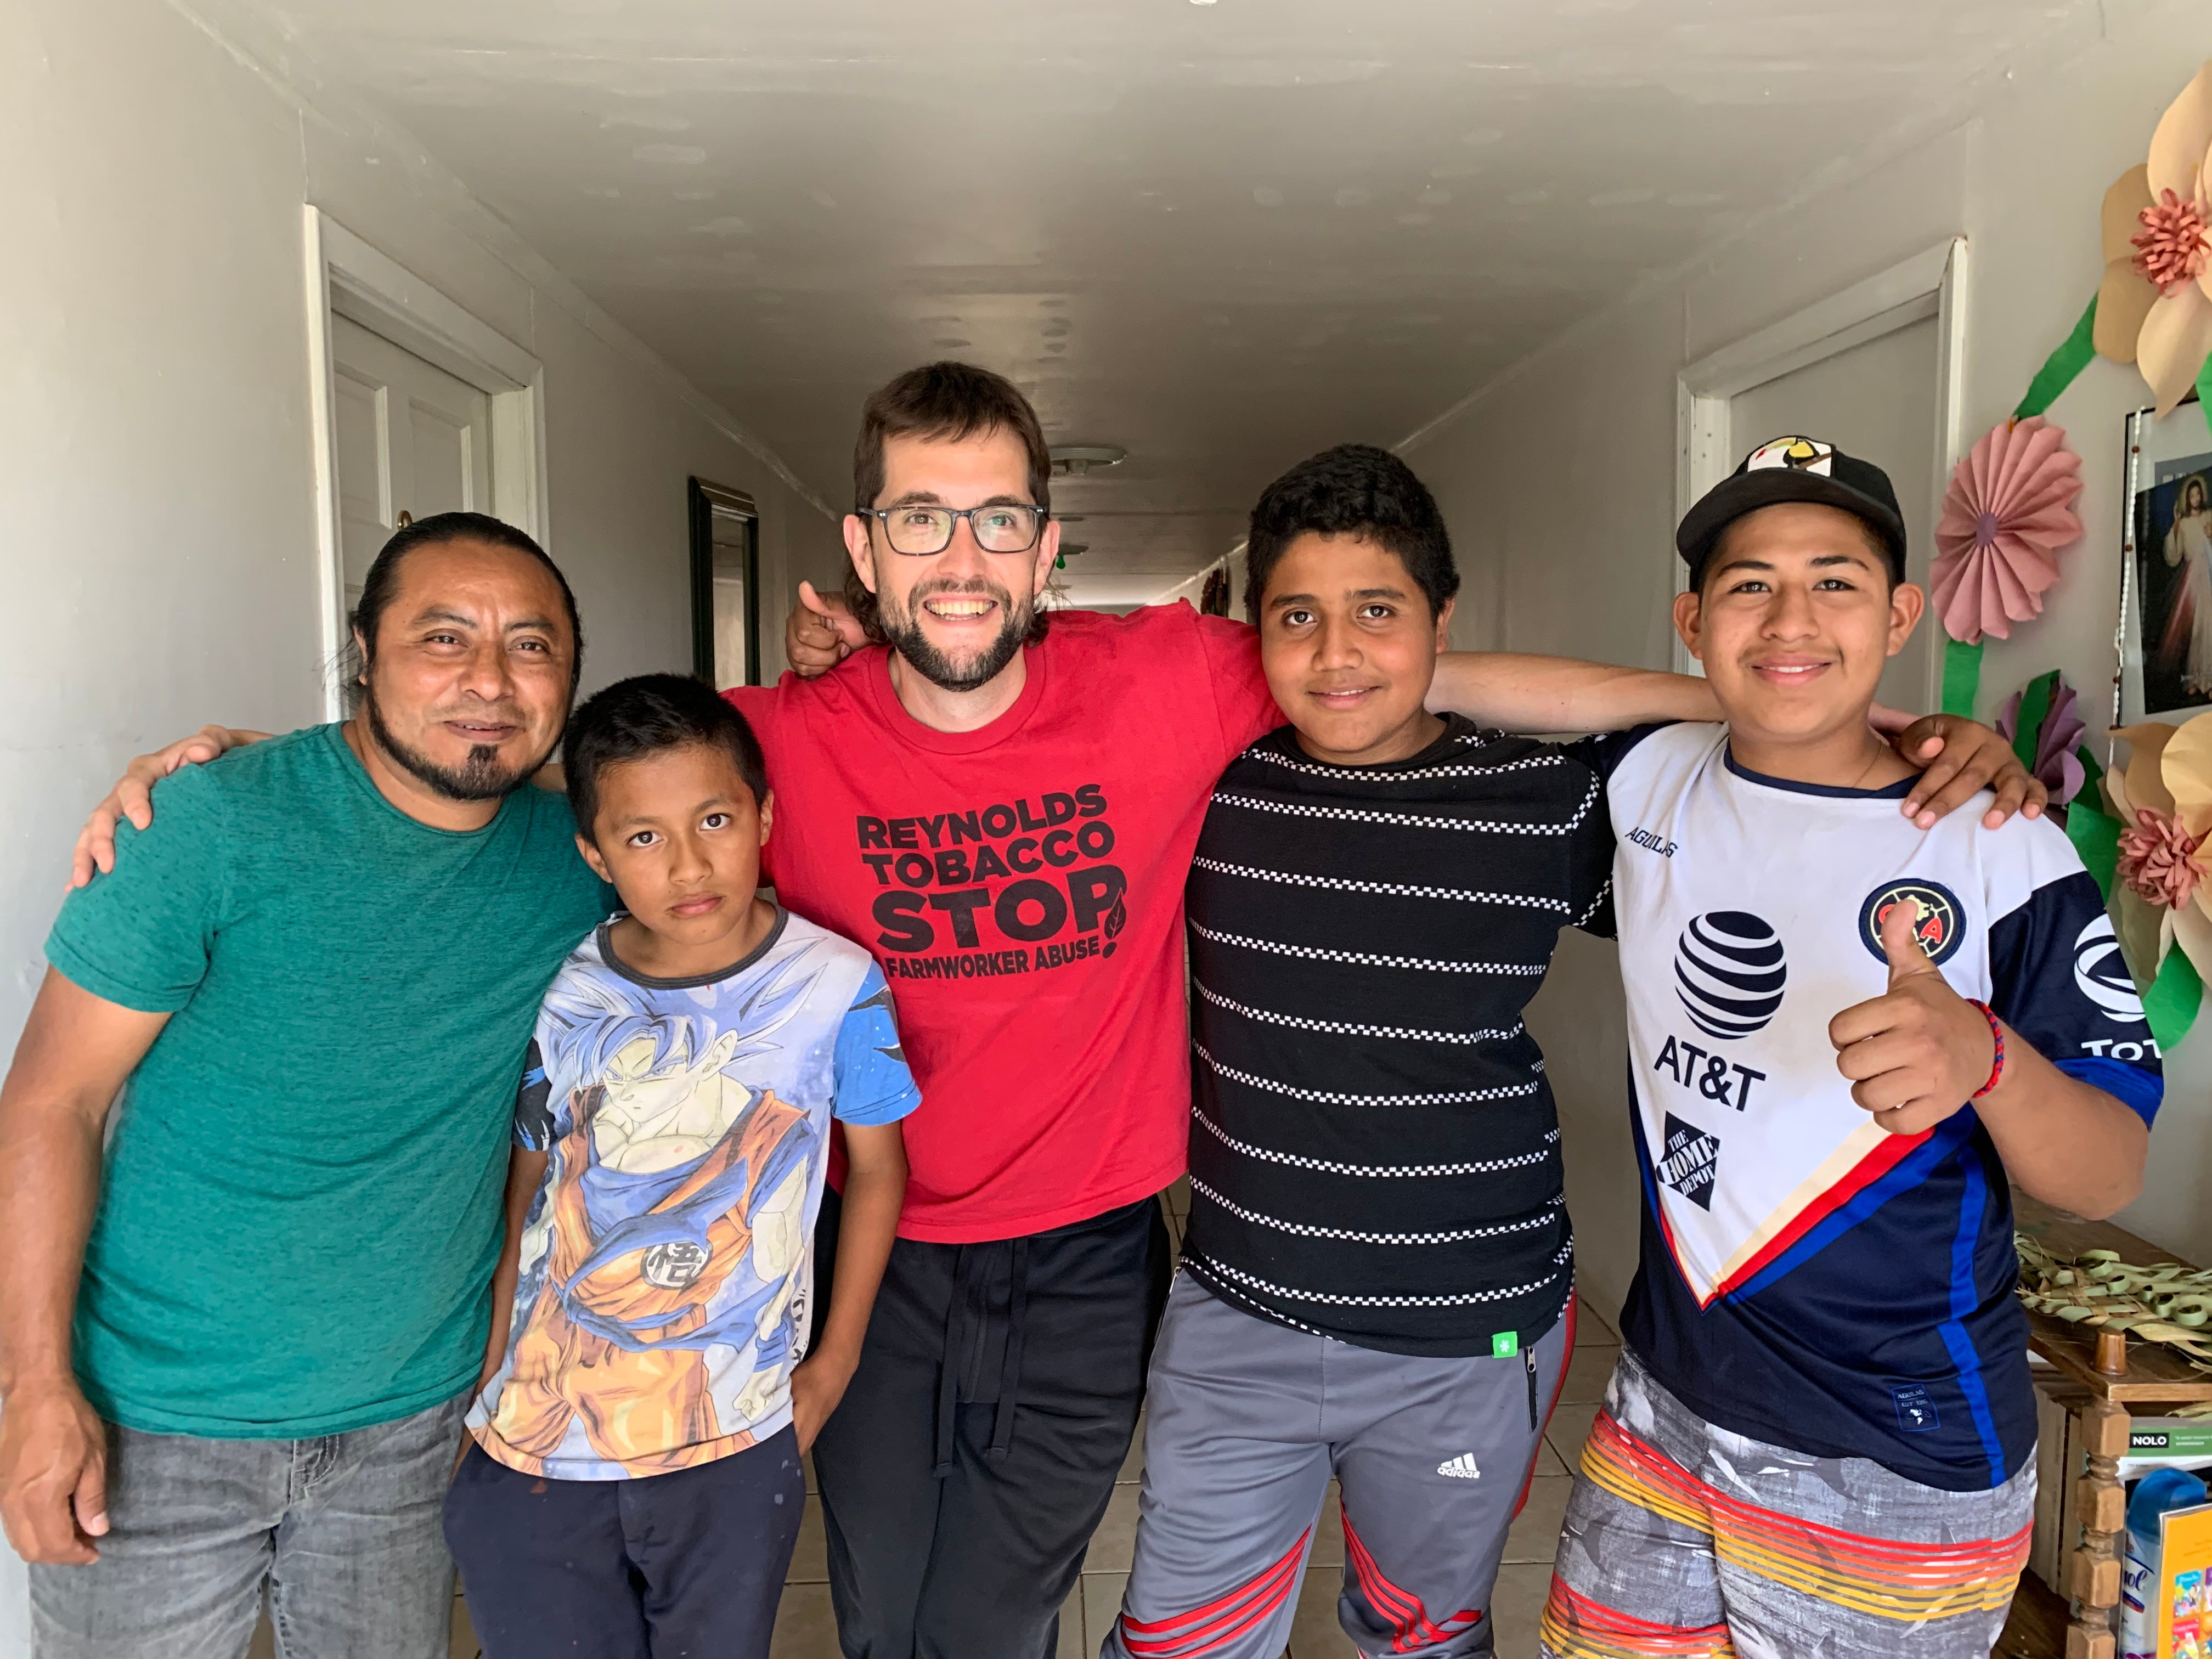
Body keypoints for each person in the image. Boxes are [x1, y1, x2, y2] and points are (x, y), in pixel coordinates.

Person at [68, 365, 2043, 1659]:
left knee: (1010, 1612)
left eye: (992, 513)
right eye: (916, 516)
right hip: (859, 1251)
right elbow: (553, 781)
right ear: (861, 548)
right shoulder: (768, 736)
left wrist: (1797, 708)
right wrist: (267, 768)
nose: (954, 551)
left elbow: (1426, 662)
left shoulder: (1177, 679)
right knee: (897, 1610)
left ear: (1044, 542)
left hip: (1109, 1252)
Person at [1537, 437, 2162, 1659]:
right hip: (1664, 1403)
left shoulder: (1996, 842)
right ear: (1692, 618)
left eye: (1835, 581)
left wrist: (1987, 1060)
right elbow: (1450, 691)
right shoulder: (1650, 785)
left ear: (1900, 613)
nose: (1791, 618)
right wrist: (1715, 697)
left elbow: (2109, 1172)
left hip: (1892, 1451)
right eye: (1747, 586)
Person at [0, 514, 609, 1659]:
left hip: (410, 1426)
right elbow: (49, 1105)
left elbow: (696, 812)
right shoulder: (206, 827)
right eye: (443, 638)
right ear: (365, 654)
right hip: (157, 1423)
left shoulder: (573, 856)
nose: (489, 679)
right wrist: (33, 1388)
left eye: (533, 647)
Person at [1099, 444, 1612, 1659]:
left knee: (1421, 1639)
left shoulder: (1545, 803)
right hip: (1236, 1315)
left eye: (1377, 614)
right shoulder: (1208, 787)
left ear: (1442, 621)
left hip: (1470, 1330)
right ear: (1255, 636)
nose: (1336, 656)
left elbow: (1754, 874)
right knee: (1177, 1641)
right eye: (1299, 618)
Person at [443, 675, 916, 1659]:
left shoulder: (834, 982)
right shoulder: (572, 986)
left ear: (764, 815)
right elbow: (531, 1188)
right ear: (595, 853)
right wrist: (490, 1381)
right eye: (644, 836)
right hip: (538, 1437)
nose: (690, 863)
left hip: (730, 1440)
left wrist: (832, 1363)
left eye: (714, 818)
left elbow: (876, 1170)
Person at [2160, 472, 2212, 696]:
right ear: (2187, 499)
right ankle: (2193, 680)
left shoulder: (2209, 517)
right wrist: (2175, 527)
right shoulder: (2184, 524)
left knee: (2209, 626)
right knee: (2194, 630)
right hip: (2192, 579)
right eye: (2192, 495)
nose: (2195, 498)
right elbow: (2174, 556)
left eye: (2198, 494)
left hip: (2209, 574)